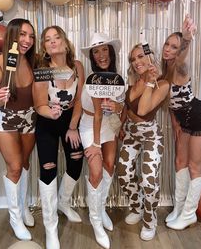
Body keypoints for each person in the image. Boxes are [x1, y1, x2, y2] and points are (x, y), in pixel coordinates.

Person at [0, 18, 37, 240]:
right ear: (12, 35)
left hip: (29, 118)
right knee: (13, 167)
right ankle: (14, 217)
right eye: (23, 34)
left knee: (24, 164)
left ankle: (23, 207)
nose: (27, 40)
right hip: (5, 121)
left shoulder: (33, 62)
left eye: (31, 36)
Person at [33, 26, 84, 249]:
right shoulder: (43, 72)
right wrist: (49, 112)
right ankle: (51, 227)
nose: (52, 42)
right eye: (47, 40)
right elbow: (38, 105)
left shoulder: (78, 67)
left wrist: (72, 126)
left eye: (56, 37)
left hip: (69, 122)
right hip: (47, 123)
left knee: (76, 158)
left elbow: (80, 101)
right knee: (49, 169)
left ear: (64, 42)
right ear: (45, 47)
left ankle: (63, 203)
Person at [162, 15, 201, 230]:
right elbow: (171, 102)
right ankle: (179, 208)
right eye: (167, 44)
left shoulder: (180, 67)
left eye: (174, 47)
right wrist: (174, 123)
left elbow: (182, 59)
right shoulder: (164, 71)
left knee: (194, 167)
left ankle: (189, 214)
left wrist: (187, 39)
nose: (168, 49)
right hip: (184, 122)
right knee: (179, 162)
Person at [118, 43, 169, 241]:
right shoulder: (132, 81)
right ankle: (137, 206)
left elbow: (142, 110)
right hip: (131, 133)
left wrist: (149, 81)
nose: (136, 62)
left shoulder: (162, 84)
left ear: (150, 57)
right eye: (133, 59)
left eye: (140, 57)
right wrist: (121, 126)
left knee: (149, 180)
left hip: (150, 135)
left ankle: (150, 219)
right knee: (123, 173)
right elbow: (126, 107)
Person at [79, 33, 123, 249]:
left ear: (111, 52)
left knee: (109, 166)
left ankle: (102, 208)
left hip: (109, 125)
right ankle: (95, 221)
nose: (101, 55)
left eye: (104, 49)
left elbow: (121, 107)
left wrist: (119, 109)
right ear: (92, 57)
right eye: (96, 51)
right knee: (95, 172)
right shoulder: (93, 79)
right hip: (90, 126)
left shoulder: (116, 77)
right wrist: (95, 144)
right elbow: (96, 114)